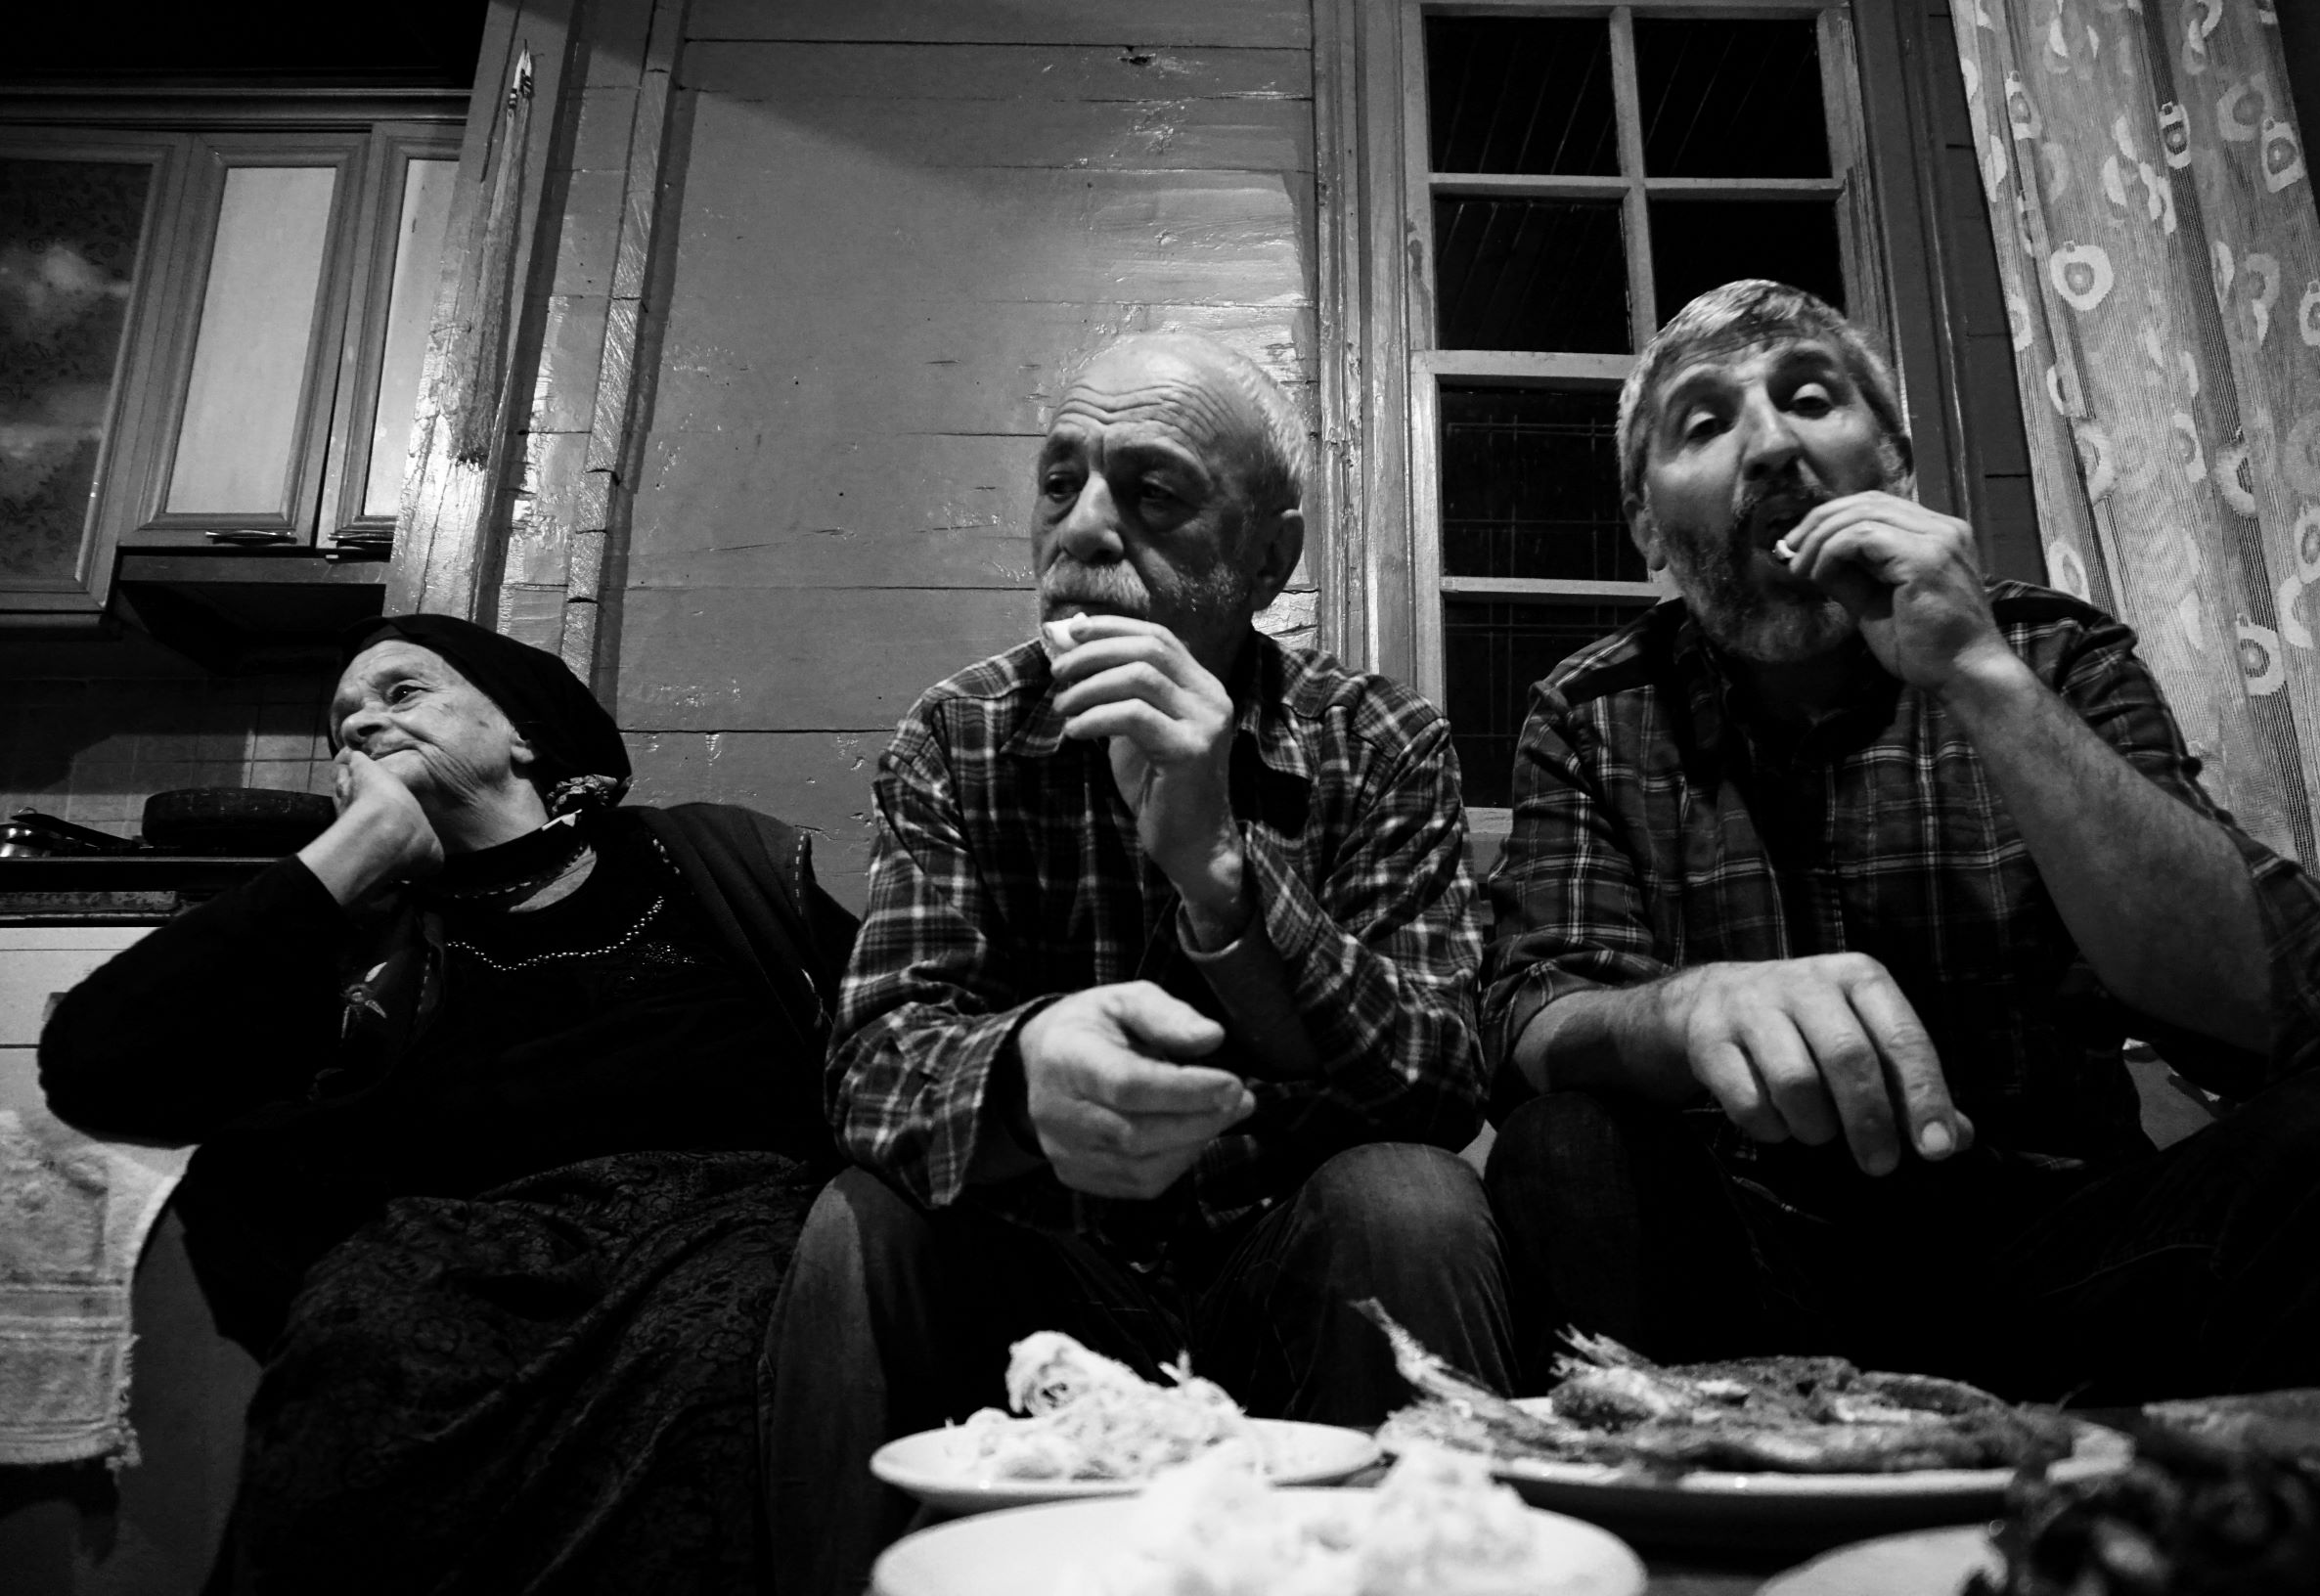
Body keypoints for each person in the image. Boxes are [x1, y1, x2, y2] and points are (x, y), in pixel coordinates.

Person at [1481, 280, 2320, 1422]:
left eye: (1808, 399)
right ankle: (1725, 1533)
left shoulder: (2048, 654)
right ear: (1646, 526)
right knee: (1560, 1146)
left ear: (1894, 459)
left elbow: (2299, 1005)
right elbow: (1531, 1013)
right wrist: (1686, 1007)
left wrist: (1979, 672)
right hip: (1752, 1279)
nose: (1768, 448)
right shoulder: (1593, 710)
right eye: (1705, 424)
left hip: (2067, 1258)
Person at [768, 332, 1507, 1593]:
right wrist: (1016, 1074)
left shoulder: (1381, 740)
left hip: (1287, 1273)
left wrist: (1220, 875)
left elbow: (1438, 1081)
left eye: (1152, 493)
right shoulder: (960, 736)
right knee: (856, 1225)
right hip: (1039, 1289)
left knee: (1412, 1199)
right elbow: (873, 1065)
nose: (1085, 530)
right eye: (1061, 483)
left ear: (1270, 555)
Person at [40, 614, 858, 1596]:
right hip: (452, 1255)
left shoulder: (706, 865)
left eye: (400, 692)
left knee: (709, 1347)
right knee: (364, 1342)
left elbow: (880, 1039)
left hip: (722, 1228)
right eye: (342, 720)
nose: (359, 726)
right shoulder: (357, 932)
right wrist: (360, 847)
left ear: (523, 734)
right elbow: (93, 1064)